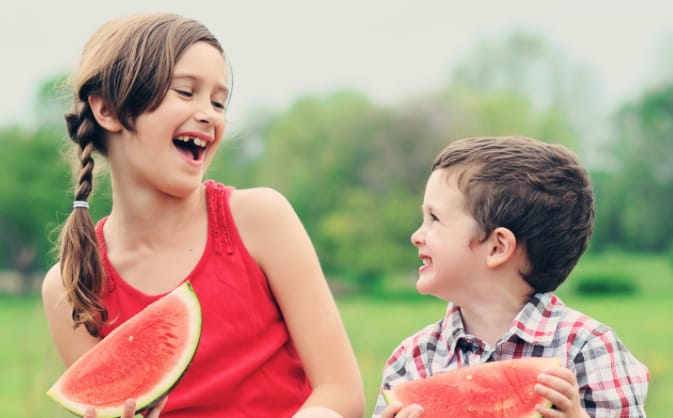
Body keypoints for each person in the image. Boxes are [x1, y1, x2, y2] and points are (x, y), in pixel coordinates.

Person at [41, 12, 365, 418]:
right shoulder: (71, 285)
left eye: (218, 101)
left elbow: (342, 392)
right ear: (106, 109)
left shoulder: (260, 219)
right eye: (185, 91)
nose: (210, 114)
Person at [374, 136, 649, 418]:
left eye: (434, 218)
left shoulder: (588, 347)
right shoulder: (412, 359)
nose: (416, 236)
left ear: (497, 247)